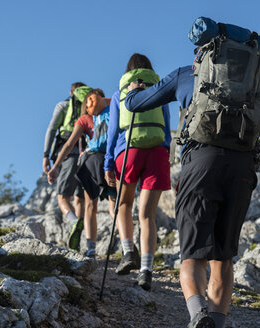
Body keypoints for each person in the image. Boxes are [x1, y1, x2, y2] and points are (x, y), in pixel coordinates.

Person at [124, 62, 260, 326]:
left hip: (200, 165)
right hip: (241, 170)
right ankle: (216, 323)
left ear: (203, 52)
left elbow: (136, 104)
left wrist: (132, 90)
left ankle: (198, 314)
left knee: (193, 256)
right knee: (223, 258)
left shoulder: (187, 74)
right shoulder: (255, 82)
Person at [104, 53, 171, 291]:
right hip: (157, 152)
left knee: (124, 204)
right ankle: (146, 269)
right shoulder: (160, 91)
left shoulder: (118, 94)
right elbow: (166, 126)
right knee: (148, 215)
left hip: (128, 151)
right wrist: (166, 151)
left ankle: (128, 251)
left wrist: (108, 163)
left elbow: (112, 131)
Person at [48, 89, 116, 258]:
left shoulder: (84, 119)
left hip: (91, 162)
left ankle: (91, 248)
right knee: (114, 204)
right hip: (113, 160)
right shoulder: (112, 109)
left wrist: (55, 165)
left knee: (90, 206)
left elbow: (70, 143)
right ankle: (126, 244)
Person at [43, 83, 92, 251]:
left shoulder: (64, 105)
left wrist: (45, 155)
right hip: (88, 155)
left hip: (69, 154)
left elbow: (51, 129)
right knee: (80, 199)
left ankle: (73, 221)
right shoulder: (89, 106)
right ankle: (79, 242)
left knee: (62, 197)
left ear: (71, 93)